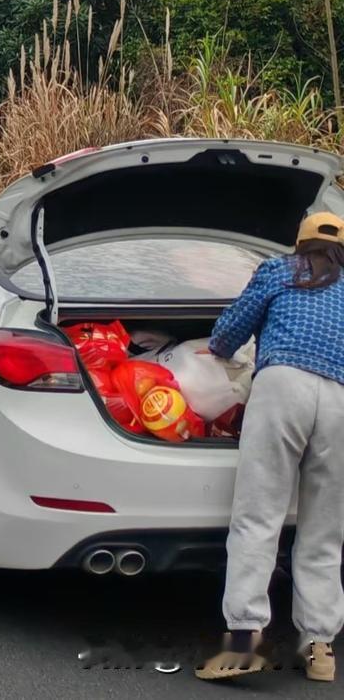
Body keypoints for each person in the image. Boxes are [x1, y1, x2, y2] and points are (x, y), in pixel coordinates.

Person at [196, 211, 344, 684]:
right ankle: (320, 648)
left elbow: (227, 334)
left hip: (283, 387)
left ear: (299, 243)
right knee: (324, 530)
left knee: (259, 517)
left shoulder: (281, 271)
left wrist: (216, 352)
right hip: (341, 399)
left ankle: (244, 641)